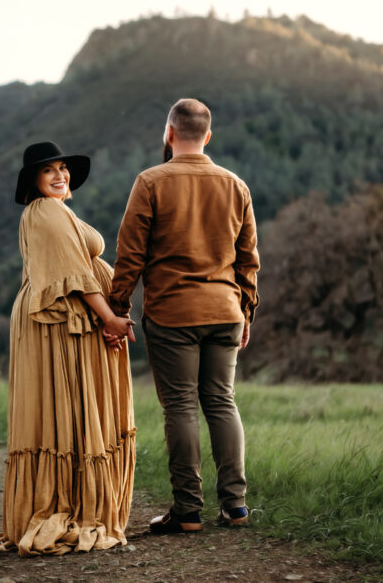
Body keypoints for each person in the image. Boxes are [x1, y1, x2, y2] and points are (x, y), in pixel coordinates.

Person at [0, 141, 137, 556]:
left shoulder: (59, 210)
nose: (60, 175)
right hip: (59, 323)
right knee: (67, 407)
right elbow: (76, 276)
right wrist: (109, 318)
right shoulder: (45, 210)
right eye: (49, 171)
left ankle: (73, 499)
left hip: (67, 320)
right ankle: (67, 504)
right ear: (34, 180)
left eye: (63, 169)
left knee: (71, 409)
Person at [105, 98, 260, 534]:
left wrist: (117, 310)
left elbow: (130, 255)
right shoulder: (235, 185)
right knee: (222, 402)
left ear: (169, 133)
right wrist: (246, 311)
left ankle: (187, 511)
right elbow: (248, 259)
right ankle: (236, 506)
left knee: (180, 407)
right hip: (225, 311)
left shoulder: (150, 181)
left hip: (173, 313)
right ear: (208, 136)